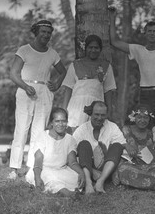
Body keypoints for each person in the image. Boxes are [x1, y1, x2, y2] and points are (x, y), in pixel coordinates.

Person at [8, 20, 67, 180]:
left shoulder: (52, 53)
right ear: (36, 32)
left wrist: (56, 84)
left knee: (39, 131)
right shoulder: (24, 50)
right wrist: (25, 86)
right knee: (21, 129)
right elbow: (13, 74)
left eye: (48, 33)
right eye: (43, 32)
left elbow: (63, 72)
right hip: (25, 90)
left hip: (45, 92)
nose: (46, 35)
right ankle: (14, 168)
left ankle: (31, 168)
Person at [72, 101, 137, 194]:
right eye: (96, 114)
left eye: (103, 115)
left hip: (106, 167)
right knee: (83, 144)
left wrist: (127, 145)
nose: (99, 118)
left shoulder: (112, 126)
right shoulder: (82, 129)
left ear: (106, 115)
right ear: (91, 114)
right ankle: (88, 183)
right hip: (86, 166)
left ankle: (100, 182)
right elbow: (72, 152)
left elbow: (122, 142)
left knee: (117, 145)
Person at [25, 108, 85, 197]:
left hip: (61, 170)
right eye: (57, 121)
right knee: (48, 177)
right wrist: (37, 177)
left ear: (67, 122)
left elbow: (72, 162)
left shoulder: (70, 139)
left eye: (63, 121)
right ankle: (67, 193)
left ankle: (58, 189)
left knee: (76, 177)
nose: (60, 124)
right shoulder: (43, 136)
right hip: (43, 169)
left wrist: (81, 173)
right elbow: (38, 160)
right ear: (51, 123)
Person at [61, 35, 117, 130]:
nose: (93, 50)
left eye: (96, 48)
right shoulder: (75, 65)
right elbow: (68, 88)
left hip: (97, 107)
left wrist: (109, 111)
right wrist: (63, 110)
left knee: (94, 133)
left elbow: (108, 90)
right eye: (90, 47)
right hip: (76, 107)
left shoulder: (106, 66)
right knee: (75, 133)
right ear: (85, 48)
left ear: (100, 49)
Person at [116, 104, 155, 191]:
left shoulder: (151, 133)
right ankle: (154, 184)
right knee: (123, 169)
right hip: (130, 164)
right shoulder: (126, 129)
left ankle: (132, 184)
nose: (142, 120)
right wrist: (126, 145)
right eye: (139, 117)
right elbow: (115, 143)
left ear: (149, 119)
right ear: (133, 118)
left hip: (148, 166)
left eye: (146, 118)